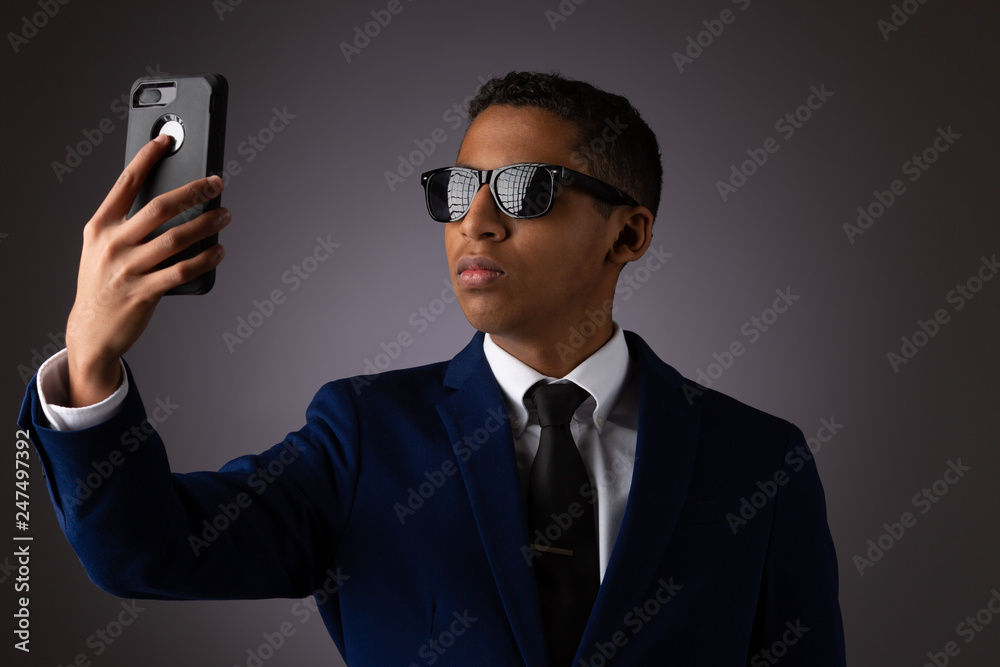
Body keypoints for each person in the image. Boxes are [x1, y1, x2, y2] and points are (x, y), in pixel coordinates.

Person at [19, 71, 846, 665]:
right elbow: (149, 553)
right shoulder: (366, 435)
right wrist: (91, 355)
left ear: (627, 234)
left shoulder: (757, 461)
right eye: (457, 188)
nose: (475, 220)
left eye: (523, 189)